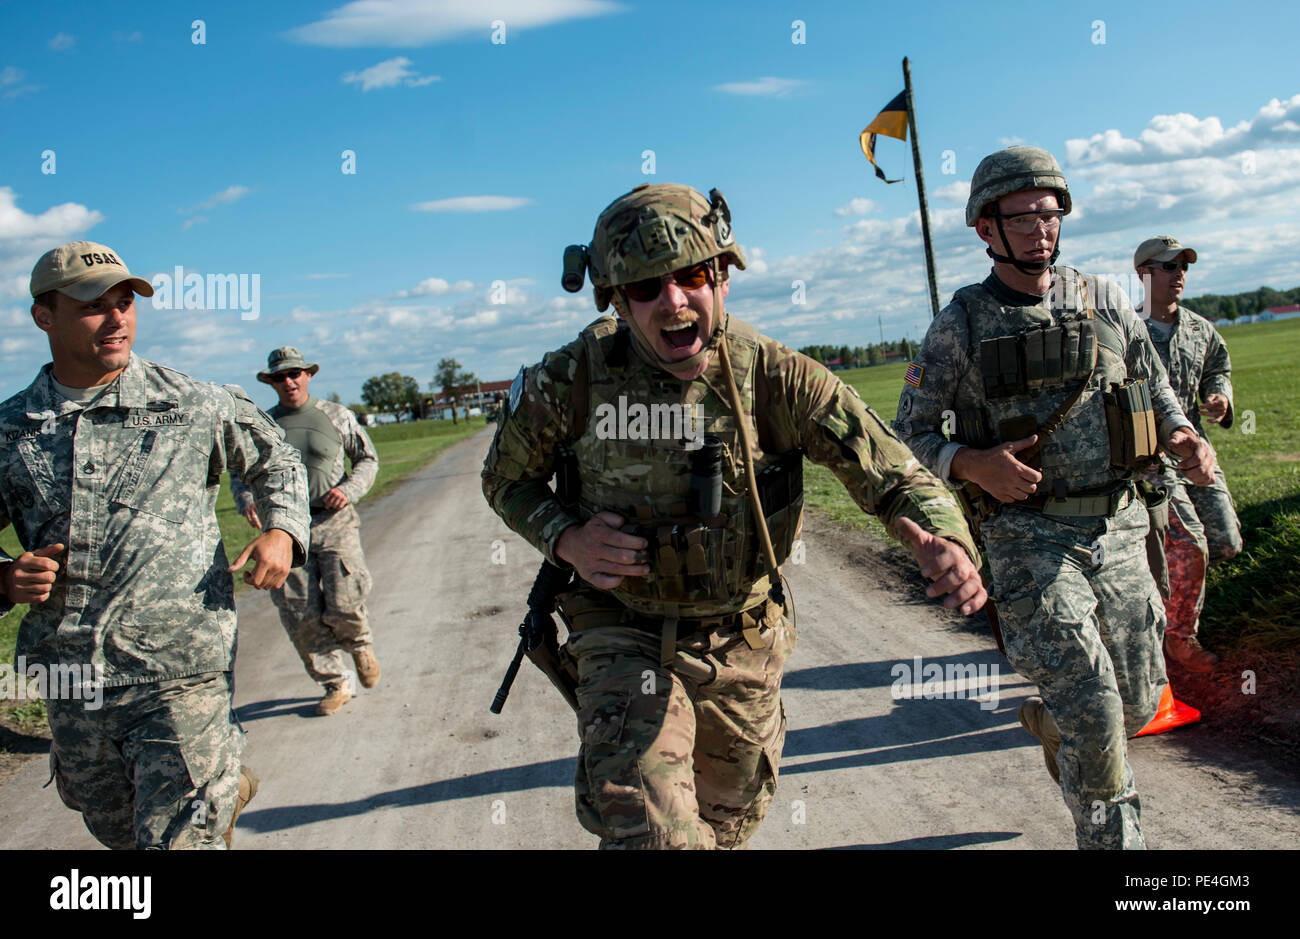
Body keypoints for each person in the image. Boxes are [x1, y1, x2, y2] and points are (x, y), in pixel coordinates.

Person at [482, 183, 985, 849]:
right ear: (616, 299)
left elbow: (891, 470)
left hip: (738, 640)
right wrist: (565, 536)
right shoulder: (571, 380)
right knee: (651, 827)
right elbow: (504, 477)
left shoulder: (773, 375)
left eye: (692, 276)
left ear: (722, 276)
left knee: (723, 824)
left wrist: (938, 534)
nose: (674, 300)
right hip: (620, 630)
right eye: (645, 288)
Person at [893, 148, 1217, 849]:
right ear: (986, 228)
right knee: (1097, 707)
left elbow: (1154, 386)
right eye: (1023, 215)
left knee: (1132, 704)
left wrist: (1185, 435)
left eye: (1051, 212)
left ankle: (1059, 721)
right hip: (1029, 543)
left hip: (1121, 528)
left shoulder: (1101, 298)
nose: (1042, 228)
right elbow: (907, 434)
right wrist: (971, 462)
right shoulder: (962, 325)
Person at [1, 241, 310, 849]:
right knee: (116, 829)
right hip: (71, 678)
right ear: (45, 316)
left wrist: (283, 531)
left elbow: (277, 462)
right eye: (93, 305)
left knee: (172, 844)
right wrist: (5, 579)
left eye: (125, 302)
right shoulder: (11, 431)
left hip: (180, 667)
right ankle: (226, 785)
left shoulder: (191, 403)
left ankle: (211, 785)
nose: (116, 318)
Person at [231, 348, 380, 716]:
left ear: (308, 375)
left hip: (334, 522)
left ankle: (359, 644)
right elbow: (240, 471)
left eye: (295, 373)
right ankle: (334, 683)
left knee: (345, 598)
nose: (289, 381)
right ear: (271, 382)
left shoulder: (336, 416)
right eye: (280, 376)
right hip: (285, 529)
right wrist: (247, 498)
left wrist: (347, 490)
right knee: (299, 612)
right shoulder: (264, 424)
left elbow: (367, 459)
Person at [1134, 236, 1242, 671]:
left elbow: (1219, 366)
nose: (1179, 274)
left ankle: (1161, 601)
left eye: (1183, 266)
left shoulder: (1199, 328)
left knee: (1224, 541)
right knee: (1190, 543)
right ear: (1143, 274)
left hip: (1196, 452)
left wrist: (1219, 396)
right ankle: (1179, 639)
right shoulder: (1127, 330)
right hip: (1150, 460)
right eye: (1168, 266)